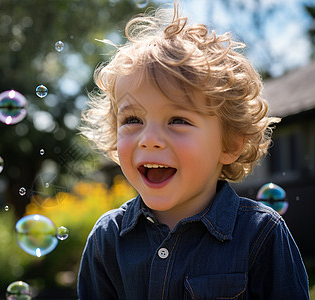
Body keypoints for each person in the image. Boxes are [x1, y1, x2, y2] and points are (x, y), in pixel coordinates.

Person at [77, 3, 310, 299]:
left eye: (178, 120)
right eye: (132, 119)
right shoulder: (107, 239)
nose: (149, 140)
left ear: (230, 144)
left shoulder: (261, 234)